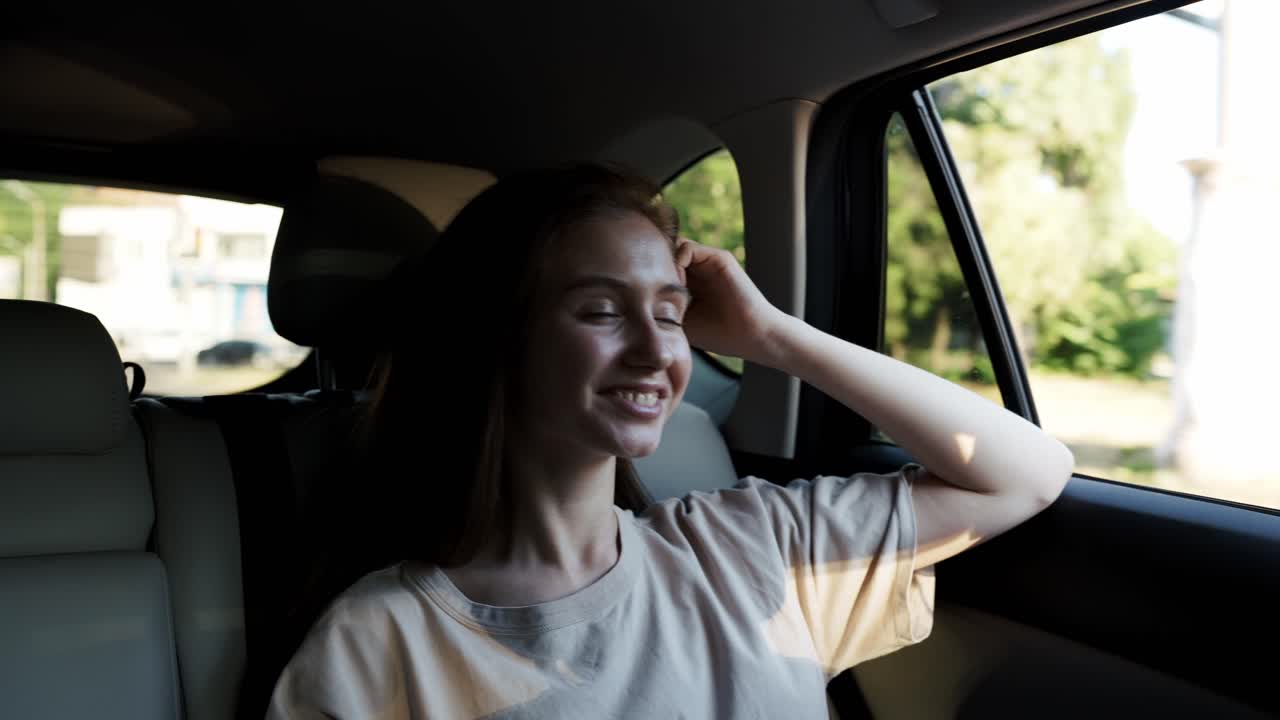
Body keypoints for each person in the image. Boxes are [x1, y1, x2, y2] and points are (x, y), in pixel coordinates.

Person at [266, 164, 1073, 719]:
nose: (658, 352)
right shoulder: (377, 641)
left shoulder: (757, 546)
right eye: (602, 310)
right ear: (493, 340)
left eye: (670, 312)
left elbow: (1025, 474)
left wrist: (770, 334)